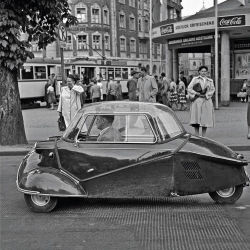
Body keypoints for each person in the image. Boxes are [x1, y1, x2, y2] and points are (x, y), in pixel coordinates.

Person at [187, 65, 215, 137]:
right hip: (197, 100)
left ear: (207, 72)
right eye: (202, 71)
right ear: (199, 72)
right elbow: (189, 88)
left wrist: (207, 95)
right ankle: (197, 135)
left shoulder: (210, 80)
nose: (203, 73)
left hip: (206, 100)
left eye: (205, 71)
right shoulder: (195, 79)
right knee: (197, 117)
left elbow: (212, 90)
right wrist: (196, 93)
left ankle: (204, 136)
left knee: (205, 118)